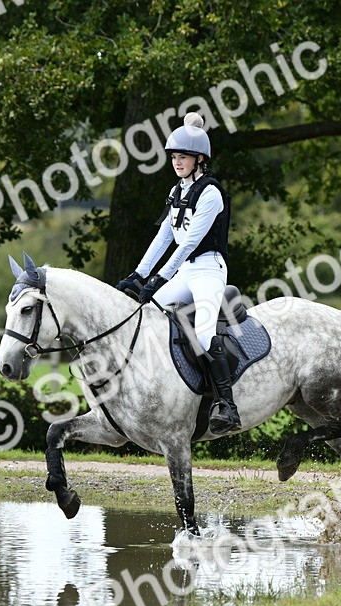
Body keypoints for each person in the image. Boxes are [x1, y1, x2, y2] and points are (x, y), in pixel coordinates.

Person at [114, 111, 241, 435]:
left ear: (200, 159)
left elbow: (189, 245)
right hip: (185, 271)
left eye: (183, 157)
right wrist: (139, 275)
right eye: (174, 156)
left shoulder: (210, 192)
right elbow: (164, 238)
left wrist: (159, 279)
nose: (177, 161)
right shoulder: (177, 191)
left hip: (209, 270)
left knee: (202, 332)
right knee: (150, 314)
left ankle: (226, 405)